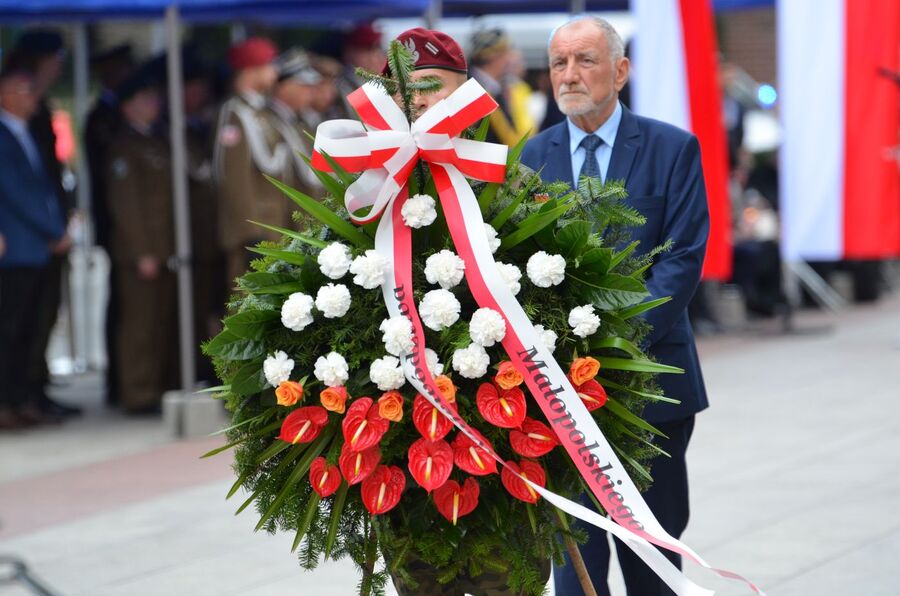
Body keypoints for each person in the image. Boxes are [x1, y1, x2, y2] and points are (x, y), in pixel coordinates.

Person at [520, 17, 710, 596]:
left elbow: (681, 261)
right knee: (574, 564)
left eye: (585, 60)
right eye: (559, 62)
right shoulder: (531, 156)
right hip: (558, 396)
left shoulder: (671, 148)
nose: (569, 75)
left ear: (621, 71)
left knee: (652, 556)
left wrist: (610, 344)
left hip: (650, 383)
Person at [3, 29, 80, 419]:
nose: (34, 98)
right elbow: (16, 191)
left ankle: (22, 398)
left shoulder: (23, 132)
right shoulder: (4, 135)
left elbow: (46, 183)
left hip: (36, 245)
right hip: (19, 245)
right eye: (26, 91)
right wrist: (54, 230)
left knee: (30, 327)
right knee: (11, 329)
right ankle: (9, 401)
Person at [105, 68, 178, 414]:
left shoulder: (155, 140)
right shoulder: (124, 146)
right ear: (127, 107)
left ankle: (153, 386)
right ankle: (137, 391)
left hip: (163, 248)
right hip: (142, 251)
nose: (154, 103)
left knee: (159, 321)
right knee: (140, 325)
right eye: (145, 99)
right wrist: (142, 252)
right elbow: (127, 206)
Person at [213, 37, 293, 286]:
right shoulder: (235, 114)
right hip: (253, 232)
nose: (275, 72)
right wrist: (248, 233)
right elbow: (233, 177)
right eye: (268, 65)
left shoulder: (262, 112)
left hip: (271, 226)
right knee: (247, 301)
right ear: (250, 71)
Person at [84, 44, 134, 404]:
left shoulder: (109, 113)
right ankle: (118, 381)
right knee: (123, 305)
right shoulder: (102, 117)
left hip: (121, 223)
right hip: (116, 223)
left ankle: (122, 379)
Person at [268, 48, 323, 197]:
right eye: (304, 85)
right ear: (284, 86)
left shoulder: (301, 120)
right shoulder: (269, 120)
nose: (310, 91)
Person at [336, 23, 386, 119]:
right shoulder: (341, 83)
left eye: (376, 49)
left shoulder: (380, 81)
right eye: (366, 51)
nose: (373, 57)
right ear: (349, 52)